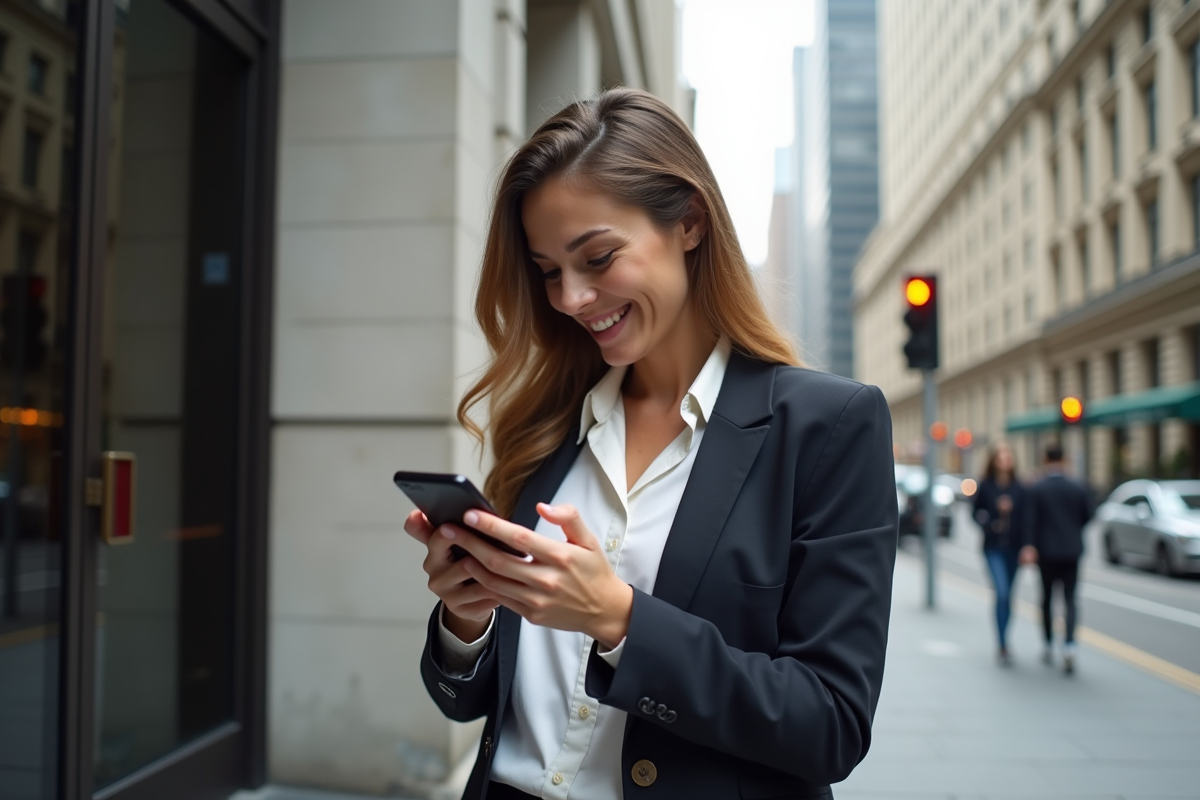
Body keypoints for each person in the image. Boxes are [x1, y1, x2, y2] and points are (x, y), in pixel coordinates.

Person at [404, 88, 898, 800]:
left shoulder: (827, 426)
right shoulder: (546, 426)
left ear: (689, 222)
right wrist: (468, 617)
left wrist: (620, 619)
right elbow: (471, 701)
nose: (570, 297)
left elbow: (830, 724)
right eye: (548, 271)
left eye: (597, 258)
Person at [1021, 443, 1094, 675]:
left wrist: (1031, 545)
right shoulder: (1078, 487)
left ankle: (1048, 642)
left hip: (1047, 552)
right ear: (1064, 459)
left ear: (1045, 459)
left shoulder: (1038, 488)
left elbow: (1030, 521)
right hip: (1071, 550)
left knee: (1047, 598)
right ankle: (1070, 645)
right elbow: (1088, 516)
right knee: (1071, 599)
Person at [972, 443, 1026, 665]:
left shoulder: (1019, 488)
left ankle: (1005, 639)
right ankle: (1002, 643)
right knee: (1001, 592)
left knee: (1009, 595)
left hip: (1014, 548)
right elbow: (975, 514)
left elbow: (1027, 518)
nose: (1004, 459)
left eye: (1008, 455)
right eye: (1000, 456)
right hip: (993, 547)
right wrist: (991, 522)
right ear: (994, 460)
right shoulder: (985, 486)